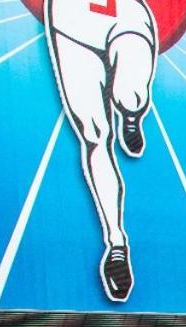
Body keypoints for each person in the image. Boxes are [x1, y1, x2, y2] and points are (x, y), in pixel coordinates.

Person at [44, 0, 158, 301]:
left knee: (131, 93)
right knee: (95, 134)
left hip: (125, 16)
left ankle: (131, 115)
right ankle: (116, 243)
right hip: (72, 22)